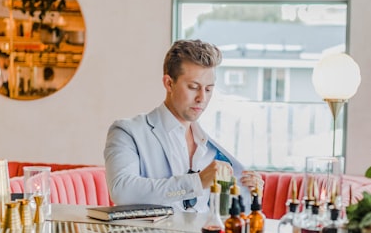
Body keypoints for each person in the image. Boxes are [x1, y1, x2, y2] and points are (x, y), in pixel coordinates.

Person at [104, 39, 262, 212]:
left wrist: (249, 193)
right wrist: (198, 182)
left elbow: (225, 213)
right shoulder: (127, 132)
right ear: (169, 83)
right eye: (193, 87)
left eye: (208, 89)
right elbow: (122, 191)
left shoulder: (212, 146)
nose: (202, 98)